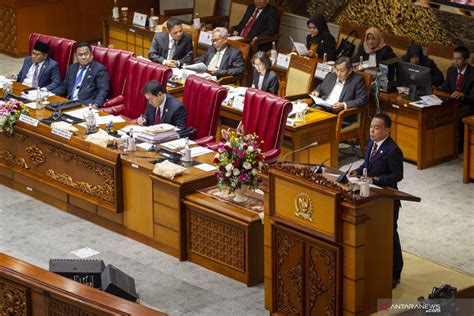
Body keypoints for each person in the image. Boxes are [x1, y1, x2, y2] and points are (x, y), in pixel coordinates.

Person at [350, 112, 404, 289]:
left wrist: (375, 179)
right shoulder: (371, 143)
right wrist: (357, 171)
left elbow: (397, 175)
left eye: (377, 127)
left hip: (387, 199)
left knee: (389, 234)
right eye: (371, 126)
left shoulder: (393, 150)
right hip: (370, 196)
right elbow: (367, 165)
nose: (372, 130)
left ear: (387, 130)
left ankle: (395, 273)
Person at [51, 42, 110, 107]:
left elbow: (103, 90)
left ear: (91, 55)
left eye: (86, 54)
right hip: (69, 103)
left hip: (85, 105)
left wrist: (96, 104)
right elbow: (64, 87)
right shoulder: (72, 68)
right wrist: (49, 93)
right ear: (76, 56)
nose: (83, 57)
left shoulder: (99, 69)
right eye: (80, 55)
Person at [441, 45, 474, 149]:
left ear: (465, 60)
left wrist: (463, 95)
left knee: (457, 115)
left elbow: (473, 98)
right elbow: (445, 88)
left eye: (459, 59)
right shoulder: (451, 70)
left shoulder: (472, 73)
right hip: (453, 102)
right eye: (454, 58)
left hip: (468, 105)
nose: (455, 61)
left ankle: (459, 145)